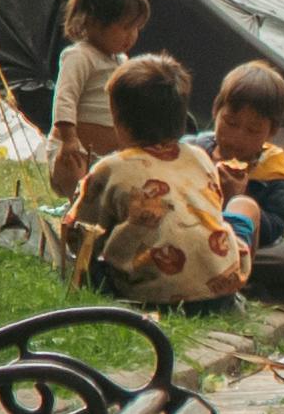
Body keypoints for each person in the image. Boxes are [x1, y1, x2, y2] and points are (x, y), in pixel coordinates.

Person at [53, 54, 245, 308]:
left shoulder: (111, 167)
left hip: (155, 295)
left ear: (119, 122)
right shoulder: (199, 157)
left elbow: (80, 235)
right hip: (223, 291)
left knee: (84, 266)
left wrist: (76, 185)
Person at [206, 61, 284, 307]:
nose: (237, 138)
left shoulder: (275, 174)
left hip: (249, 249)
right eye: (231, 123)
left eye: (253, 130)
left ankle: (238, 278)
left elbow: (275, 228)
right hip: (197, 237)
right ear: (216, 111)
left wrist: (239, 195)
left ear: (271, 131)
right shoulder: (196, 150)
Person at [48, 0, 151, 177]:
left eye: (136, 28)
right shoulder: (80, 56)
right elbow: (65, 98)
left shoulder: (121, 61)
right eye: (125, 27)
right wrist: (69, 139)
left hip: (108, 157)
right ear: (93, 21)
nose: (132, 36)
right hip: (76, 152)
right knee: (80, 192)